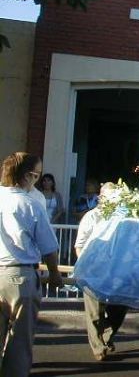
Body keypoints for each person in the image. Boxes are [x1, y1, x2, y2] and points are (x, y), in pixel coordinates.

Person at [1, 152, 63, 376]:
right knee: (19, 344)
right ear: (27, 176)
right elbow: (48, 247)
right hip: (20, 275)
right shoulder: (29, 203)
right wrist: (55, 275)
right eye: (36, 176)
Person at [74, 181, 129, 361]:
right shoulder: (91, 217)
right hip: (93, 271)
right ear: (101, 198)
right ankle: (98, 348)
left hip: (116, 272)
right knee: (94, 312)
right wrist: (85, 266)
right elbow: (80, 245)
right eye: (110, 197)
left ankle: (106, 336)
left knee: (119, 308)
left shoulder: (123, 218)